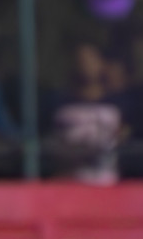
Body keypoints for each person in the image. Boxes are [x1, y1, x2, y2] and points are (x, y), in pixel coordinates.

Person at [52, 42, 126, 185]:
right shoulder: (60, 105)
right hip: (70, 187)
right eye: (80, 59)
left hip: (107, 188)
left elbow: (125, 141)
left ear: (101, 63)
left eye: (90, 59)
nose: (85, 64)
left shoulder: (117, 104)